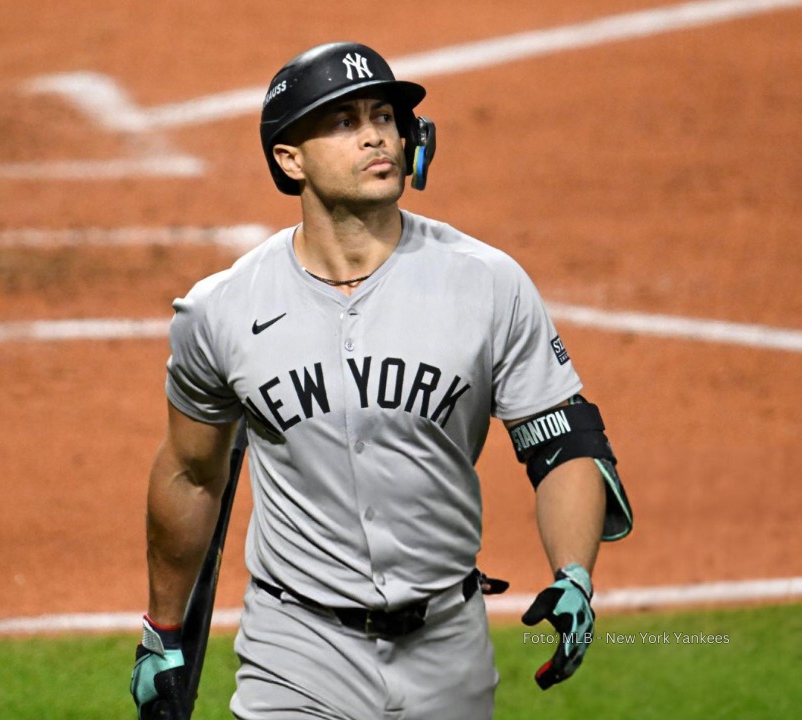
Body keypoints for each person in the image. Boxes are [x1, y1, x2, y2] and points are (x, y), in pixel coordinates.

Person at [130, 41, 633, 719]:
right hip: (295, 651)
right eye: (342, 122)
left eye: (384, 116)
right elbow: (192, 474)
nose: (375, 134)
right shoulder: (221, 310)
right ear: (290, 159)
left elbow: (562, 444)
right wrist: (161, 633)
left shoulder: (486, 282)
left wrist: (575, 574)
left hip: (447, 648)